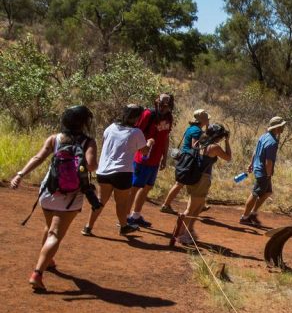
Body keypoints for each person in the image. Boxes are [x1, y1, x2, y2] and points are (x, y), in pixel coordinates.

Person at [9, 105, 98, 291]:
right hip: (71, 196)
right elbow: (91, 166)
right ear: (83, 123)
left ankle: (48, 261)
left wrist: (20, 175)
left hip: (48, 191)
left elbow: (38, 157)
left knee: (49, 227)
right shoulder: (88, 142)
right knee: (55, 234)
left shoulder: (55, 138)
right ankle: (37, 273)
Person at [82, 104, 154, 237]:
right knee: (121, 203)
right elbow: (144, 152)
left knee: (100, 201)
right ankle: (124, 227)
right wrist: (150, 142)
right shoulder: (136, 132)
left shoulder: (111, 128)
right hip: (122, 171)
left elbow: (105, 144)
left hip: (103, 170)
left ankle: (88, 226)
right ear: (137, 117)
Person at [126, 93, 175, 228]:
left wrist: (165, 157)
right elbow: (135, 133)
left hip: (155, 159)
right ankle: (124, 218)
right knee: (134, 188)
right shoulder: (148, 114)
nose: (163, 107)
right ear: (157, 102)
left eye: (166, 104)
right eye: (162, 104)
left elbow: (165, 138)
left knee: (147, 187)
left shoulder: (169, 117)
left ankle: (135, 215)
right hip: (141, 158)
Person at [178, 124, 232, 246]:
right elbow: (228, 157)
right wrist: (227, 142)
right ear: (217, 136)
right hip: (202, 179)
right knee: (191, 209)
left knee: (198, 206)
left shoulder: (198, 143)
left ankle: (188, 231)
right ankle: (180, 234)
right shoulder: (214, 147)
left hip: (193, 177)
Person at [160, 109, 209, 214]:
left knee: (192, 182)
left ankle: (200, 204)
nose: (208, 120)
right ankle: (166, 205)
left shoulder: (192, 128)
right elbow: (195, 145)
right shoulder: (197, 130)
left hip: (186, 157)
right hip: (189, 159)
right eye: (206, 119)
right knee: (180, 183)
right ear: (202, 120)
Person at [239, 116, 286, 227]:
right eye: (282, 125)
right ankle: (244, 217)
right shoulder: (273, 142)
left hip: (258, 167)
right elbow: (268, 161)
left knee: (268, 192)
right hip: (263, 172)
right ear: (277, 127)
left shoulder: (264, 136)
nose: (284, 127)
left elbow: (256, 151)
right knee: (255, 193)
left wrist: (251, 163)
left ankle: (253, 213)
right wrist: (269, 174)